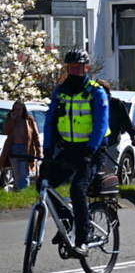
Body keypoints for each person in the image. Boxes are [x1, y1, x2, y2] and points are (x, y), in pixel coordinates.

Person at [41, 49, 110, 257]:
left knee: (77, 190)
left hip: (92, 150)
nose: (74, 71)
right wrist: (47, 150)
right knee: (44, 184)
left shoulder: (96, 92)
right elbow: (51, 121)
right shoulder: (60, 92)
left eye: (78, 68)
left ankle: (82, 240)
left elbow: (100, 124)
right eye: (71, 67)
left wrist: (90, 150)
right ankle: (66, 220)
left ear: (86, 68)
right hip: (69, 149)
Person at [1, 100, 41, 191]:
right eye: (15, 109)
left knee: (24, 173)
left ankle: (24, 192)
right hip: (13, 149)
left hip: (25, 149)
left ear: (23, 110)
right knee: (17, 175)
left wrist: (39, 151)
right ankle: (20, 193)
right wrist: (12, 119)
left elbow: (36, 136)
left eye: (19, 109)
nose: (17, 111)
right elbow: (6, 131)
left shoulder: (29, 120)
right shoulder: (10, 119)